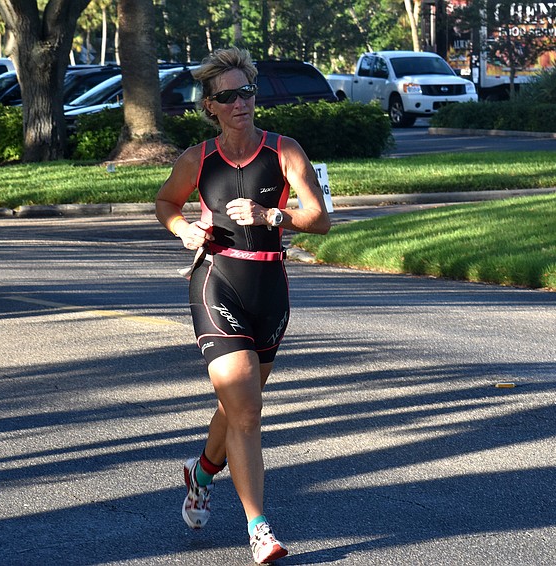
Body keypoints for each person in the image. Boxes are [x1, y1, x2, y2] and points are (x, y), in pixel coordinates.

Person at [155, 47, 331, 564]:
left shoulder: (284, 151)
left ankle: (202, 473)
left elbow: (319, 219)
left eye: (246, 92)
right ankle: (259, 528)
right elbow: (166, 203)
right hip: (216, 282)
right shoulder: (198, 159)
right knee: (248, 412)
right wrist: (184, 228)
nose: (240, 103)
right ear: (210, 105)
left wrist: (271, 215)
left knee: (238, 405)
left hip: (270, 289)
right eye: (227, 96)